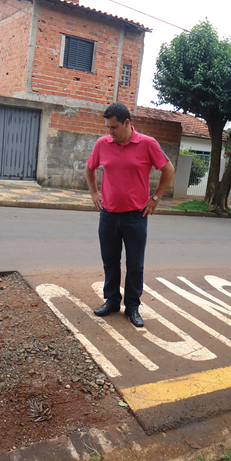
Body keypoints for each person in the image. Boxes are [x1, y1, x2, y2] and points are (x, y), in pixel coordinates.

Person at [85, 102, 175, 327]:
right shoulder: (102, 144)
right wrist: (95, 192)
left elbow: (168, 170)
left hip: (136, 216)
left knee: (135, 265)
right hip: (108, 215)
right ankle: (112, 301)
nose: (109, 132)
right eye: (107, 127)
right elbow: (90, 167)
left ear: (127, 123)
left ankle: (132, 307)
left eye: (113, 127)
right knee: (110, 262)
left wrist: (155, 198)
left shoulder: (147, 144)